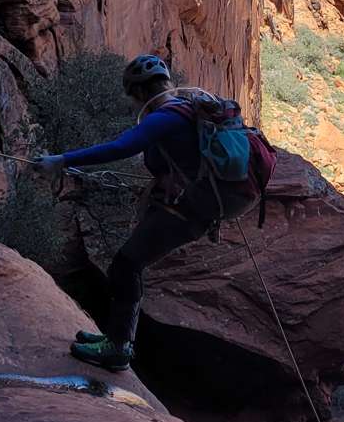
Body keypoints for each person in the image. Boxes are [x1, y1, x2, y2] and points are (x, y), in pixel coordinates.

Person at [34, 54, 255, 372]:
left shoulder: (164, 117)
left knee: (127, 265)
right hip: (197, 204)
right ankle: (115, 338)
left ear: (139, 91)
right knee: (128, 264)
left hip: (190, 210)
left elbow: (119, 148)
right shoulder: (186, 107)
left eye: (132, 95)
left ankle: (118, 348)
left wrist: (61, 160)